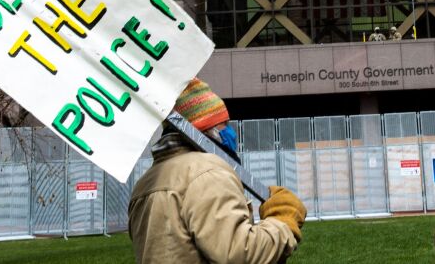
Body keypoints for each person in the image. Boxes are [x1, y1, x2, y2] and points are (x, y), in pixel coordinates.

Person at [129, 78, 307, 264]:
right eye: (224, 124)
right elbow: (239, 255)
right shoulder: (207, 172)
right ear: (206, 129)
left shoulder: (145, 183)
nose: (231, 131)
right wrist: (282, 221)